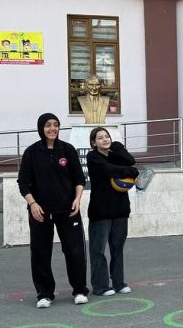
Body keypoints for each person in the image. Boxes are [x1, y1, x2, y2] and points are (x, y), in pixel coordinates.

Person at [17, 113, 90, 308]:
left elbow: (79, 179)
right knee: (40, 252)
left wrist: (77, 199)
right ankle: (44, 294)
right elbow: (23, 183)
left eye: (56, 125)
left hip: (68, 210)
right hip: (40, 212)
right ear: (41, 128)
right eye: (48, 125)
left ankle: (80, 290)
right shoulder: (32, 152)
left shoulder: (68, 150)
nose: (52, 129)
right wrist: (32, 204)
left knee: (74, 251)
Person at [86, 126, 138, 296]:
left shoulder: (116, 154)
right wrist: (130, 172)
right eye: (100, 138)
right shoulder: (93, 157)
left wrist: (119, 147)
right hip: (100, 211)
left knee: (117, 248)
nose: (105, 139)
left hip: (120, 209)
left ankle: (118, 283)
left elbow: (130, 161)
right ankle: (101, 286)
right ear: (94, 143)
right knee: (98, 250)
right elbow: (109, 170)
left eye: (106, 136)